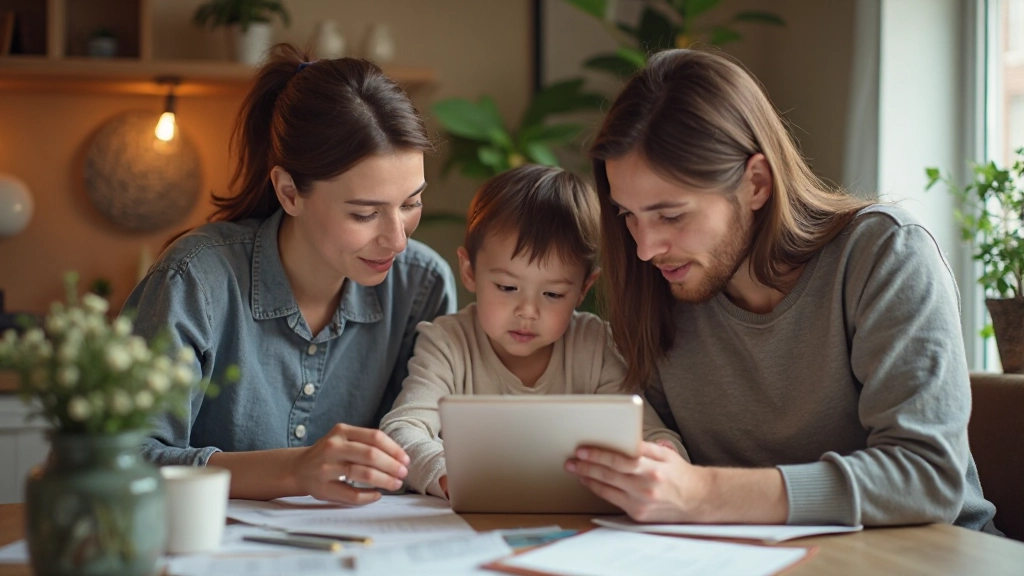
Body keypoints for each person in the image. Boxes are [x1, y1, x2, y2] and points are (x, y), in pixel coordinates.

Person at [564, 48, 999, 532]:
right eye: (628, 214)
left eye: (671, 215)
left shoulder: (885, 255)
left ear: (755, 183)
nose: (645, 248)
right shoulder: (662, 288)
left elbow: (926, 478)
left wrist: (700, 492)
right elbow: (656, 431)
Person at [122, 44, 457, 506]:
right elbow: (124, 461)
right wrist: (294, 471)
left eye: (411, 203)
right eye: (364, 214)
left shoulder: (422, 286)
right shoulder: (194, 280)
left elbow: (422, 449)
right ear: (289, 192)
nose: (398, 240)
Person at [380, 165, 684, 498]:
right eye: (507, 287)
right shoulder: (447, 343)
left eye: (553, 294)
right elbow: (401, 431)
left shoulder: (594, 346)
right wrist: (449, 475)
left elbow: (647, 432)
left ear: (584, 289)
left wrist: (664, 454)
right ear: (470, 272)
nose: (528, 311)